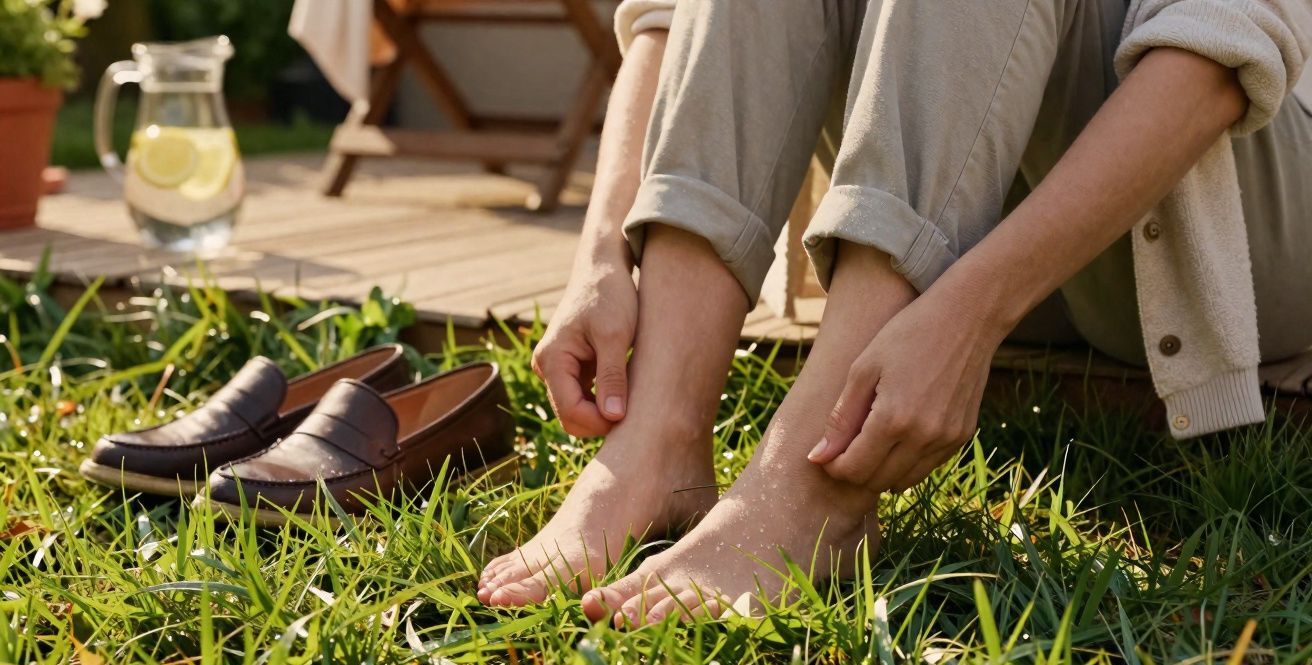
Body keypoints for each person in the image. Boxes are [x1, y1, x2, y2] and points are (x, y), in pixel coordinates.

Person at [478, 0, 1312, 625]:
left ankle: (811, 489)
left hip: (1227, 234)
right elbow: (669, 18)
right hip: (976, 217)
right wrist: (599, 254)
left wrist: (974, 311)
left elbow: (1221, 51)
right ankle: (656, 440)